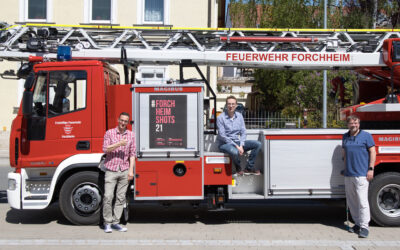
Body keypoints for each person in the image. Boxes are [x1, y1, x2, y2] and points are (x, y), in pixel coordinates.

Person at [342, 115, 376, 238]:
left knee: (362, 201)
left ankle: (364, 227)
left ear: (359, 124)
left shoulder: (366, 136)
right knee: (352, 202)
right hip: (349, 174)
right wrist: (344, 168)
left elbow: (372, 151)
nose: (354, 125)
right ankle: (357, 223)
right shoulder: (345, 136)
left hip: (361, 174)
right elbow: (344, 153)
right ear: (348, 124)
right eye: (351, 123)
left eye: (356, 123)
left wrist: (371, 169)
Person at [102, 112, 135, 233]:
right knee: (108, 196)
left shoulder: (131, 135)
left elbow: (132, 154)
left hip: (124, 170)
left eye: (125, 121)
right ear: (118, 119)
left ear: (128, 122)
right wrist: (119, 144)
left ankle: (116, 222)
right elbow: (105, 149)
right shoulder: (109, 133)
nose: (123, 123)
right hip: (111, 170)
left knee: (121, 198)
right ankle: (107, 223)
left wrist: (131, 171)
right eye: (121, 120)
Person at [217, 95, 262, 176]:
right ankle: (238, 169)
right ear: (226, 105)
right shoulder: (220, 118)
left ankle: (248, 168)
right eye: (229, 104)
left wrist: (241, 144)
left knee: (257, 144)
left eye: (233, 104)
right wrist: (237, 147)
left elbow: (243, 132)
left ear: (236, 105)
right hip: (225, 144)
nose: (231, 106)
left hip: (237, 143)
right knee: (234, 151)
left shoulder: (239, 116)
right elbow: (222, 136)